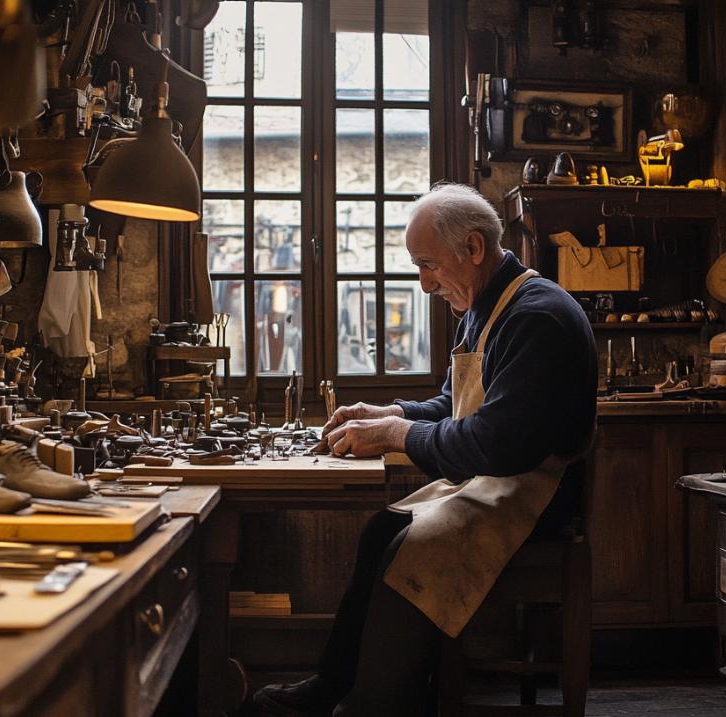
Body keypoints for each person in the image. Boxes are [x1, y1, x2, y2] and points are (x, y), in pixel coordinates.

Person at [254, 183, 598, 716]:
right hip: (499, 483)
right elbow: (451, 405)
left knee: (408, 548)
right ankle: (334, 683)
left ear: (475, 248)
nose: (423, 283)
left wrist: (396, 438)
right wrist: (390, 415)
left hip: (539, 497)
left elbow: (496, 443)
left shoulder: (536, 316)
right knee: (381, 530)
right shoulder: (486, 307)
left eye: (428, 265)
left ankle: (377, 704)